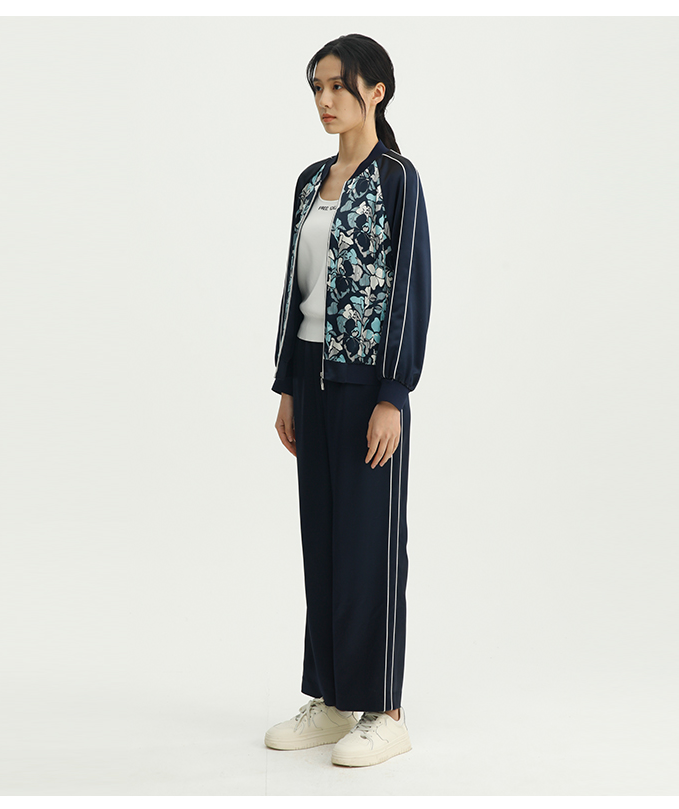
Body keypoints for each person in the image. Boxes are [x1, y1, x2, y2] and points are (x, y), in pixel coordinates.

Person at [264, 33, 432, 768]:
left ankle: (384, 708)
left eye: (338, 86)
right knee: (324, 542)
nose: (326, 101)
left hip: (367, 384)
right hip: (311, 377)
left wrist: (393, 393)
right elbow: (294, 286)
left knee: (370, 547)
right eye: (317, 88)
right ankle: (332, 699)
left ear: (376, 91)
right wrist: (285, 384)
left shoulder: (397, 179)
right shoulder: (310, 181)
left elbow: (410, 290)